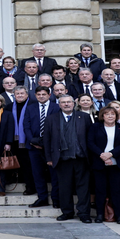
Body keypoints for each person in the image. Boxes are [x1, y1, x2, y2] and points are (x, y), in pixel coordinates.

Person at [43, 94, 92, 223]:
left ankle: (84, 213)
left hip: (81, 158)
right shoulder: (51, 119)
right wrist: (49, 157)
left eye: (69, 102)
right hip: (62, 159)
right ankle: (67, 212)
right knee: (64, 187)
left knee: (83, 187)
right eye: (63, 102)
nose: (66, 104)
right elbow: (47, 140)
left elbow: (90, 138)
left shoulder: (84, 117)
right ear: (59, 104)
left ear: (74, 103)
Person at [87, 105, 120, 223]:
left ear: (116, 116)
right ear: (102, 116)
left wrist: (110, 154)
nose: (110, 116)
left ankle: (119, 216)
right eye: (107, 114)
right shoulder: (95, 127)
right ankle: (100, 215)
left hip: (117, 163)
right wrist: (102, 155)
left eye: (113, 114)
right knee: (100, 190)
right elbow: (90, 143)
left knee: (117, 190)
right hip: (99, 162)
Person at [24, 86, 59, 209]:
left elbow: (58, 127)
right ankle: (42, 198)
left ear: (49, 95)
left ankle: (56, 199)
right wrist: (32, 140)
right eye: (38, 94)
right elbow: (26, 126)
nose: (41, 96)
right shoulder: (30, 108)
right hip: (34, 147)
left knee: (54, 174)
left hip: (52, 147)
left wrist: (46, 142)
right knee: (38, 174)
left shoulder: (56, 107)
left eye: (44, 94)